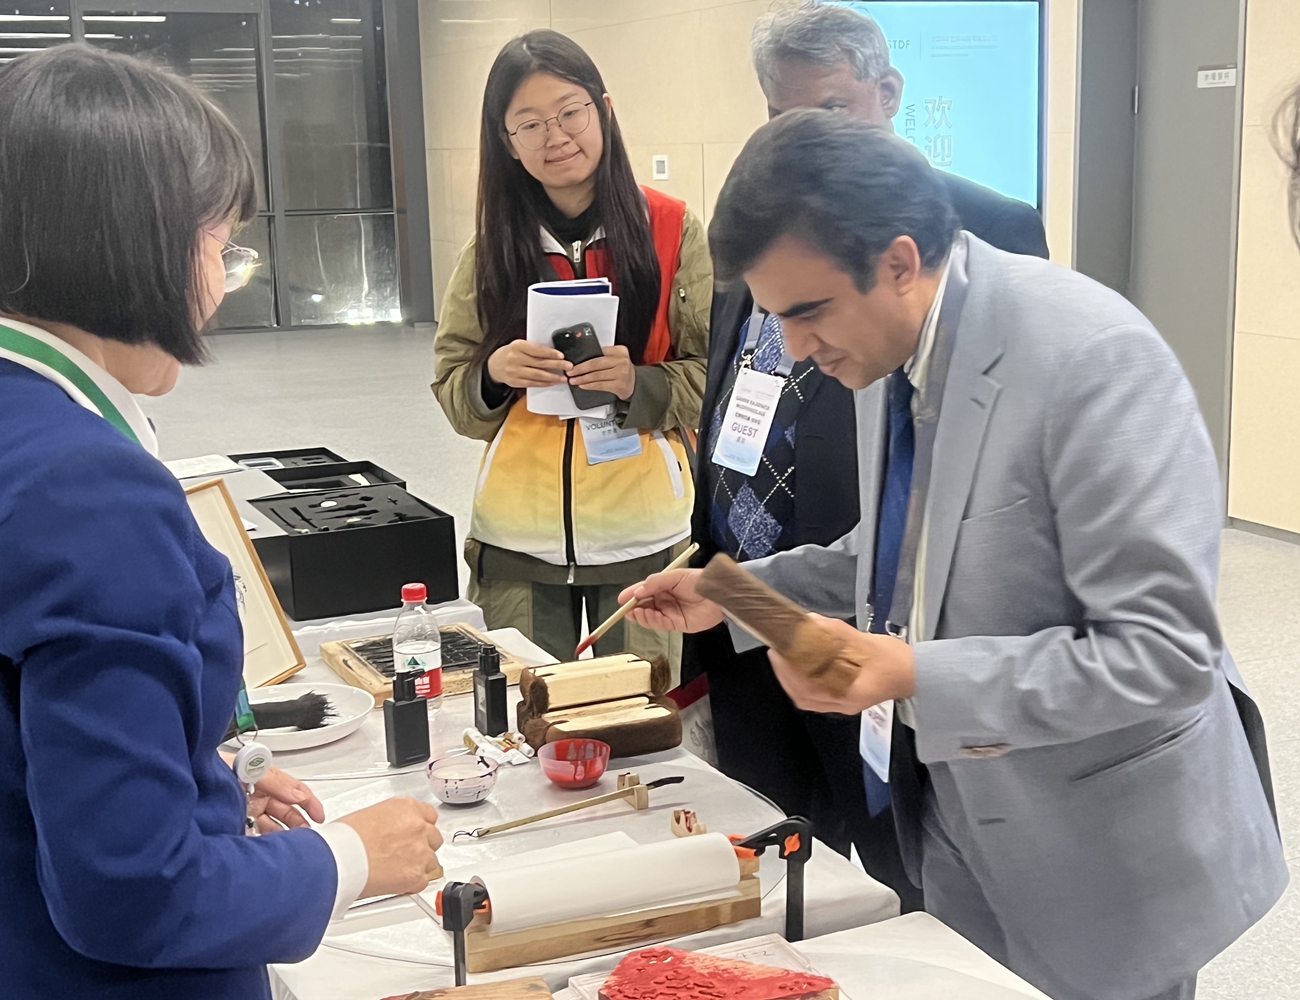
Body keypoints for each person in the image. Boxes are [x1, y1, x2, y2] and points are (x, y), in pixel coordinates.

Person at [627, 110, 1286, 1000]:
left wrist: (913, 676)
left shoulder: (1092, 360)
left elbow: (1163, 657)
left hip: (1097, 849)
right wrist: (738, 595)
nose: (794, 350)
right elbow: (900, 554)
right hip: (952, 822)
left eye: (809, 312)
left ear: (899, 262)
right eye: (777, 316)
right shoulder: (887, 343)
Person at [0, 47, 442, 1000]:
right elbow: (131, 893)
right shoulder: (87, 490)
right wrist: (347, 860)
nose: (223, 279)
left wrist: (191, 785)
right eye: (223, 246)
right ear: (141, 242)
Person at [685, 2, 1047, 910]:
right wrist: (729, 581)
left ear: (888, 93)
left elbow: (962, 515)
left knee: (891, 853)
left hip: (884, 638)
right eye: (782, 117)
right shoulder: (769, 228)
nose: (805, 139)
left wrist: (908, 662)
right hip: (762, 600)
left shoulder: (988, 252)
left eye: (832, 108)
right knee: (772, 846)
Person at [433, 30, 710, 667]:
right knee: (526, 724)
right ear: (507, 143)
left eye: (569, 112)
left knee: (639, 722)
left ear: (603, 110)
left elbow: (713, 377)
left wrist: (637, 384)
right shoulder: (489, 250)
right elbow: (453, 389)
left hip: (641, 529)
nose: (555, 136)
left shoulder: (672, 230)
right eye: (529, 124)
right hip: (517, 538)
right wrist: (495, 373)